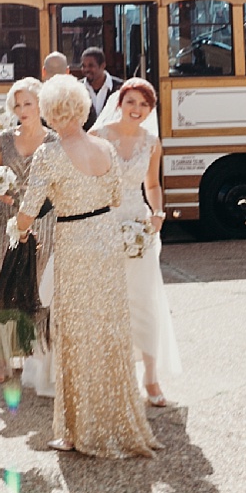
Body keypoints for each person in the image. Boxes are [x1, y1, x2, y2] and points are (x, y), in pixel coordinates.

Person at [13, 75, 156, 458]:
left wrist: (19, 228)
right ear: (80, 107)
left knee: (75, 334)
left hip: (75, 244)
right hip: (106, 240)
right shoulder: (105, 147)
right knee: (109, 328)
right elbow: (113, 196)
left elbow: (29, 210)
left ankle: (77, 431)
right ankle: (114, 418)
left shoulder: (50, 153)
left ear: (49, 112)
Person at [93, 78, 181, 407]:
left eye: (144, 105)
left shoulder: (151, 142)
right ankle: (110, 375)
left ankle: (151, 376)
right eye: (132, 102)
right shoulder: (98, 137)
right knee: (108, 300)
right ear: (120, 102)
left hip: (138, 225)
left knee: (144, 300)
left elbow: (153, 184)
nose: (137, 109)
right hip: (104, 222)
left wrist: (157, 212)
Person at [0, 77, 55, 385]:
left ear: (41, 105)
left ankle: (34, 351)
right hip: (6, 218)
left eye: (28, 103)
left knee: (35, 283)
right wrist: (1, 192)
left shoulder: (54, 141)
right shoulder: (5, 139)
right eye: (17, 104)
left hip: (42, 219)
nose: (22, 109)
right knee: (0, 282)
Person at [79, 48, 120, 128]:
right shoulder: (77, 88)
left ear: (103, 66)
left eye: (91, 65)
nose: (86, 69)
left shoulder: (120, 88)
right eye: (84, 66)